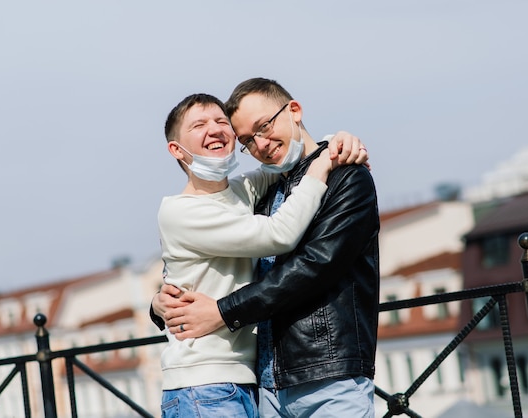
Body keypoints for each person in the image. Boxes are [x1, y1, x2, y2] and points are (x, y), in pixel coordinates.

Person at [155, 78, 380, 418]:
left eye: (263, 127)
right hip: (249, 383)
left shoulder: (336, 179)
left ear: (294, 110)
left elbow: (314, 265)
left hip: (325, 373)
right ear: (176, 148)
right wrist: (159, 304)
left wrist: (335, 143)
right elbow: (271, 237)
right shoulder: (213, 202)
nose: (259, 144)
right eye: (248, 139)